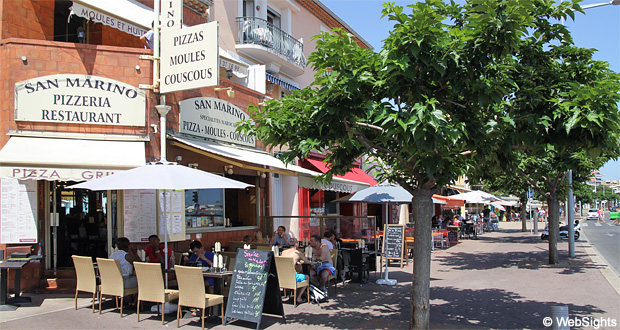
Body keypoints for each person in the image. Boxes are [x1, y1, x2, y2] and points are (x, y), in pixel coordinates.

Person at [281, 238, 312, 304]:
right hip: (292, 277)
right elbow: (308, 262)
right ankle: (299, 297)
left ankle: (291, 294)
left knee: (298, 273)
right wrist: (302, 262)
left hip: (282, 277)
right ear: (296, 244)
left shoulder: (284, 252)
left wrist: (297, 262)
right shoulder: (297, 253)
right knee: (307, 277)